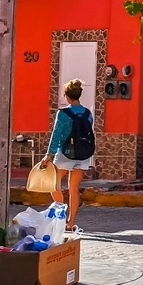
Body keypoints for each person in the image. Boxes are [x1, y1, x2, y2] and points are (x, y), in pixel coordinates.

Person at [40, 79, 93, 232]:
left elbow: (56, 135)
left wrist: (49, 155)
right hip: (83, 154)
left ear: (67, 96)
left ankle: (61, 217)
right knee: (74, 189)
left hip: (65, 153)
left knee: (53, 184)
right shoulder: (88, 114)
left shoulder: (63, 114)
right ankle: (71, 223)